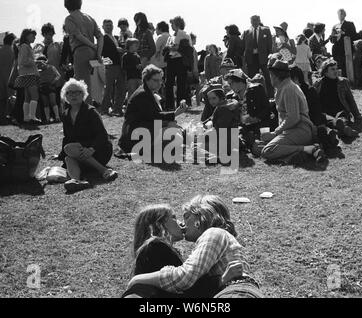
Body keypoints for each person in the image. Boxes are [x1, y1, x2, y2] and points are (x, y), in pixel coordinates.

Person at [127, 195, 263, 298]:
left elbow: (185, 279)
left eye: (186, 217)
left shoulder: (213, 233)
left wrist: (137, 279)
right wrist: (220, 280)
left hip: (235, 292)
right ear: (158, 225)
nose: (183, 224)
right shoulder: (155, 247)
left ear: (200, 218)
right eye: (175, 218)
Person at [260, 56, 326, 165]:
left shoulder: (288, 88)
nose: (269, 78)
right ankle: (300, 152)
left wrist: (275, 133)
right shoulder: (284, 87)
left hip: (300, 129)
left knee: (267, 151)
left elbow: (293, 118)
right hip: (292, 130)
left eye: (270, 75)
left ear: (275, 76)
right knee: (259, 147)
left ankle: (310, 149)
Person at [59, 78, 117, 193]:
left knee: (69, 148)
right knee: (67, 157)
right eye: (69, 93)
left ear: (83, 94)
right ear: (65, 96)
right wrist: (60, 155)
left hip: (99, 151)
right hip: (79, 151)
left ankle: (104, 170)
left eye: (77, 92)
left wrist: (91, 149)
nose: (73, 95)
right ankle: (77, 181)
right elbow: (67, 137)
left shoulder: (91, 111)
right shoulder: (65, 114)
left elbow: (102, 135)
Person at [117, 65, 188, 156]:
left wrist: (169, 121)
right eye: (156, 80)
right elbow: (154, 116)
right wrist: (175, 114)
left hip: (142, 129)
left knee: (174, 129)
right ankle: (149, 149)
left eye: (160, 80)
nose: (159, 83)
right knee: (174, 134)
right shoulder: (142, 94)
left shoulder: (147, 92)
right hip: (135, 134)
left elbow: (152, 116)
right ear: (146, 80)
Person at [290, 66, 343, 159]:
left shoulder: (297, 92)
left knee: (317, 129)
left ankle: (325, 137)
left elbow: (313, 111)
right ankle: (329, 134)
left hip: (310, 122)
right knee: (324, 122)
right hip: (317, 118)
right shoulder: (309, 89)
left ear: (295, 79)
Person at [64, 0, 104, 100]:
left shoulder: (69, 18)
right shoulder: (89, 17)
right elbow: (100, 36)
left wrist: (92, 45)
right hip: (93, 53)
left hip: (80, 51)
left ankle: (87, 112)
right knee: (86, 83)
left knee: (82, 85)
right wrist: (98, 52)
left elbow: (78, 35)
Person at [314, 59, 362, 137]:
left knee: (341, 119)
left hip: (340, 111)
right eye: (332, 69)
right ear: (325, 72)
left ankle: (337, 130)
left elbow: (350, 100)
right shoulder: (318, 84)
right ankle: (342, 130)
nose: (336, 71)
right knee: (324, 119)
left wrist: (357, 115)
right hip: (325, 112)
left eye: (336, 68)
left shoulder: (343, 82)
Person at [224, 69, 271, 153]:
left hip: (259, 126)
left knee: (257, 146)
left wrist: (257, 118)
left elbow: (266, 108)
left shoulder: (257, 89)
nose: (230, 86)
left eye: (231, 83)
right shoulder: (230, 96)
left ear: (240, 81)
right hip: (241, 128)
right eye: (229, 84)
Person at [164, 16, 192, 110]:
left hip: (181, 60)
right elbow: (168, 48)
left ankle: (181, 105)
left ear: (177, 24)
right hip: (171, 60)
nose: (171, 25)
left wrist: (176, 47)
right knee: (168, 83)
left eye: (173, 23)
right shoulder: (171, 36)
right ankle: (169, 105)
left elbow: (188, 48)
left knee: (181, 84)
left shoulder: (184, 34)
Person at [242, 15, 273, 97]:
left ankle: (270, 95)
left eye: (256, 20)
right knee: (252, 79)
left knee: (267, 78)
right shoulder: (247, 32)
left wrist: (270, 55)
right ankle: (255, 96)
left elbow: (270, 44)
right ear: (250, 22)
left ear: (259, 20)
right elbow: (244, 47)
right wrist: (245, 60)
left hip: (264, 58)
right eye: (253, 20)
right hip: (252, 59)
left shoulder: (266, 30)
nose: (254, 22)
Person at [14, 28, 41, 125]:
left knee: (27, 97)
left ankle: (26, 117)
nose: (34, 37)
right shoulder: (25, 46)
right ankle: (32, 116)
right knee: (34, 96)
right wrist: (35, 62)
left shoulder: (23, 46)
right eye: (32, 35)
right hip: (29, 74)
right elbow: (23, 61)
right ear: (26, 36)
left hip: (25, 74)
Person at [101, 19, 126, 117]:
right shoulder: (103, 38)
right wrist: (116, 50)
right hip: (111, 66)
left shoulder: (116, 37)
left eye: (110, 25)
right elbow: (103, 53)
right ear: (103, 27)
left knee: (121, 88)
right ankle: (104, 109)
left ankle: (117, 109)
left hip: (119, 65)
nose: (109, 27)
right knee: (109, 89)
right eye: (107, 25)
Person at [0, 32, 17, 125]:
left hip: (0, 78)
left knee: (1, 101)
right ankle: (11, 118)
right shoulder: (12, 50)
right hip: (10, 78)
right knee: (12, 100)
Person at [330, 9, 358, 77]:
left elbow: (354, 35)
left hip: (346, 49)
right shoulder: (335, 26)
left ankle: (348, 82)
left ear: (345, 15)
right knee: (338, 66)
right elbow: (331, 40)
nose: (340, 15)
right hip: (337, 50)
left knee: (347, 66)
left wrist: (344, 33)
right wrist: (333, 36)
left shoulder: (350, 24)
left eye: (342, 14)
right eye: (339, 14)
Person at [36, 55, 61, 123]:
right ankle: (47, 118)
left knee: (53, 102)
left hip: (50, 86)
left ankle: (57, 117)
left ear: (45, 62)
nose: (39, 65)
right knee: (45, 103)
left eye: (40, 63)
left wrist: (53, 82)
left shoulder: (51, 67)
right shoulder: (38, 70)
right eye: (38, 63)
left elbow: (58, 75)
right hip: (42, 87)